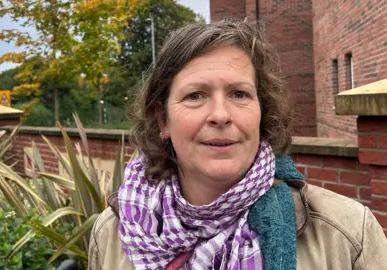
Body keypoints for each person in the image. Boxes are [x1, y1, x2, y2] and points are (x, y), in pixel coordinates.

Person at [88, 18, 387, 270]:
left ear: (261, 111)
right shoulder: (112, 234)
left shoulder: (347, 236)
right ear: (162, 120)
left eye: (239, 94)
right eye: (195, 95)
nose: (220, 115)